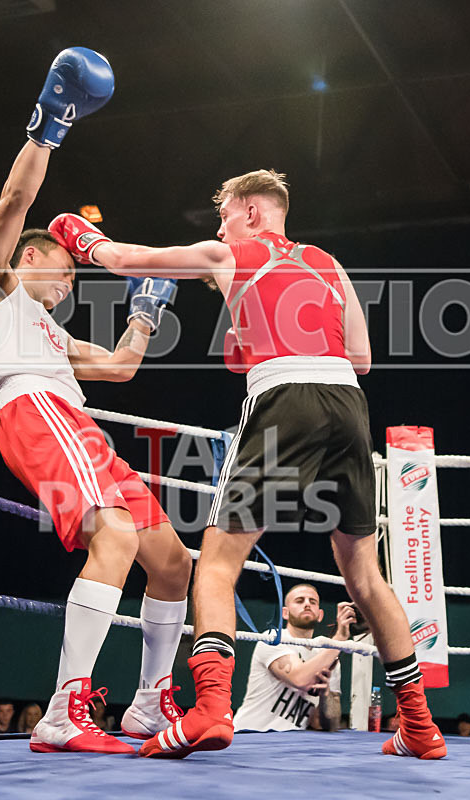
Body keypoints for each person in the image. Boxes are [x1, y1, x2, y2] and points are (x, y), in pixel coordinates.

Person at [51, 168, 446, 761]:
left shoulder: (228, 254)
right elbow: (361, 357)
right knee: (365, 574)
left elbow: (125, 258)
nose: (220, 228)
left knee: (216, 563)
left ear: (252, 212)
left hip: (283, 399)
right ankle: (418, 726)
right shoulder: (328, 264)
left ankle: (211, 708)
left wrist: (79, 235)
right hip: (348, 405)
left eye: (225, 215)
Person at [0, 47, 192, 755]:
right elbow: (15, 202)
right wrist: (49, 127)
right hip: (34, 414)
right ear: (28, 259)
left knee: (172, 561)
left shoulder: (54, 336)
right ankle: (63, 710)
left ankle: (147, 706)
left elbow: (120, 367)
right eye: (64, 271)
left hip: (78, 427)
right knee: (114, 537)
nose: (69, 283)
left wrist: (145, 311)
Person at [233, 584, 349, 733]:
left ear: (320, 615)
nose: (307, 604)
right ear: (285, 613)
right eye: (300, 601)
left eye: (312, 602)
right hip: (251, 733)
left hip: (292, 740)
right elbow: (299, 679)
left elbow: (327, 724)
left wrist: (325, 694)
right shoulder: (273, 638)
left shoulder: (328, 655)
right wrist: (339, 639)